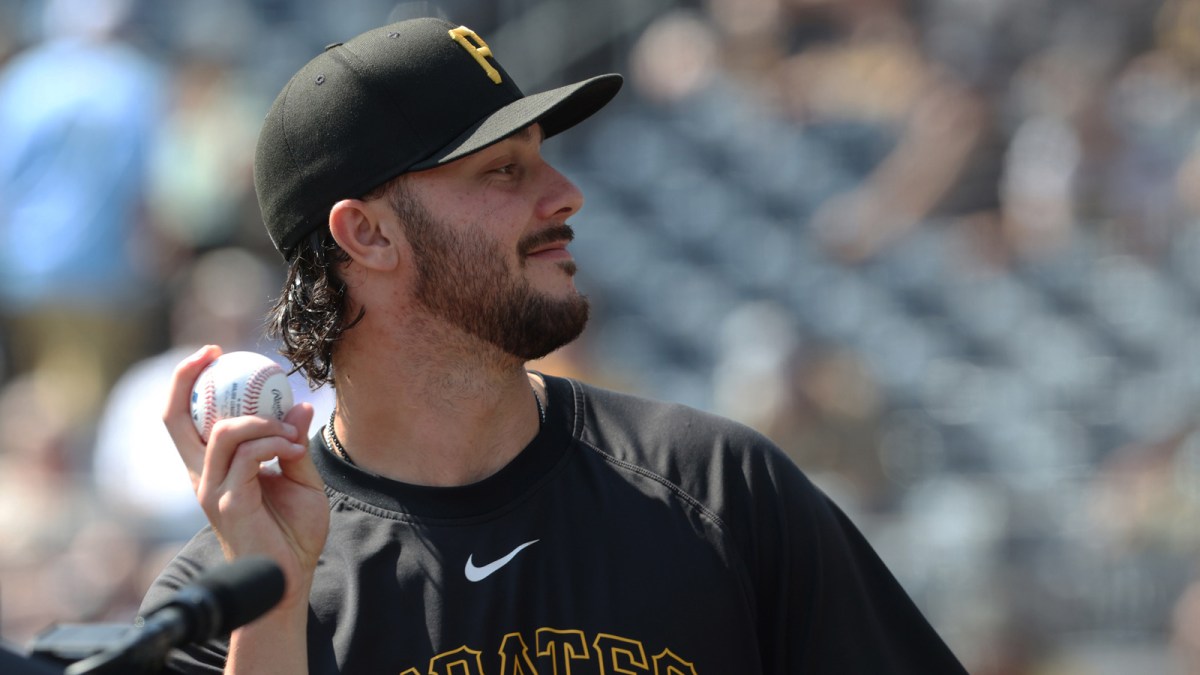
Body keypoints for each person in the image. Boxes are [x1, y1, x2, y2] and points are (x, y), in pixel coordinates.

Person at [141, 16, 967, 674]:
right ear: (367, 234)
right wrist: (276, 603)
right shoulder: (227, 599)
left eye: (543, 159)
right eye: (502, 171)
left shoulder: (718, 488)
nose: (565, 194)